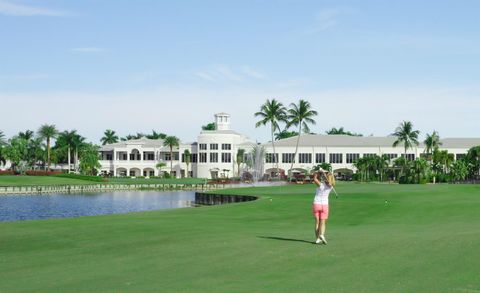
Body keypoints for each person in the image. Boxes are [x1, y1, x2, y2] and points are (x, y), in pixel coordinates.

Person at [312, 169, 334, 244]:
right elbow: (329, 183)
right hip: (324, 205)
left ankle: (317, 238)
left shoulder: (320, 185)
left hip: (316, 204)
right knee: (323, 222)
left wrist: (318, 172)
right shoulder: (331, 187)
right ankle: (322, 235)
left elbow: (315, 178)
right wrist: (325, 175)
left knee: (317, 222)